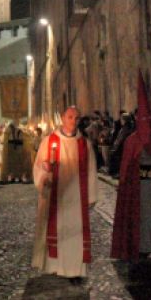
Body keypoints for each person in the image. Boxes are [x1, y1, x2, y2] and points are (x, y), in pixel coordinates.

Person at [111, 73, 151, 263]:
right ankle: (148, 246)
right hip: (144, 187)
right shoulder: (134, 140)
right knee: (146, 217)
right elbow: (127, 166)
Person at [32, 106, 97, 282]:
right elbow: (39, 165)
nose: (73, 122)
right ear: (62, 118)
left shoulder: (85, 144)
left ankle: (74, 271)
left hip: (76, 196)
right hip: (56, 194)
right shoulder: (49, 141)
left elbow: (91, 170)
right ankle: (54, 266)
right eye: (70, 117)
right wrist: (45, 171)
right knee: (56, 230)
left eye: (76, 118)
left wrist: (91, 195)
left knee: (74, 234)